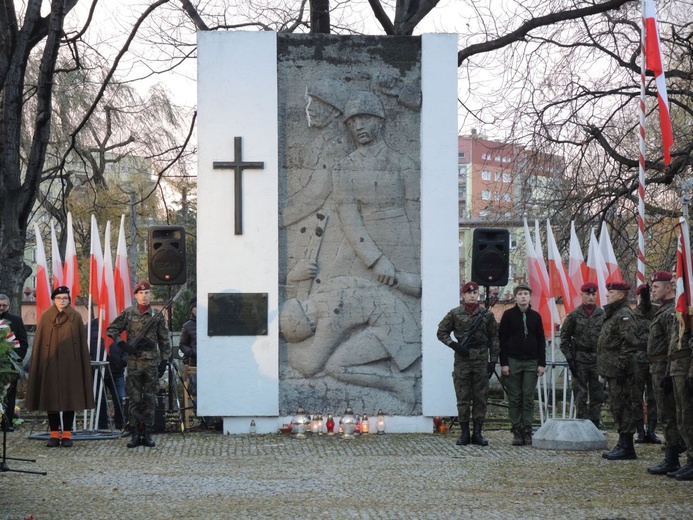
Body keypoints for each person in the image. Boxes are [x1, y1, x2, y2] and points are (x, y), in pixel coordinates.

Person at [25, 286, 94, 447]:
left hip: (71, 365)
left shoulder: (75, 317)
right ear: (54, 299)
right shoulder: (46, 317)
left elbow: (81, 344)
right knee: (51, 398)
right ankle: (54, 434)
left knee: (70, 398)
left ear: (69, 300)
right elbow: (40, 343)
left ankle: (68, 434)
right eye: (59, 298)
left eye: (65, 298)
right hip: (50, 365)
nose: (62, 301)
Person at [107, 280, 171, 448]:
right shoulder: (128, 313)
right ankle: (135, 433)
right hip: (134, 363)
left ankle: (148, 433)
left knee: (150, 399)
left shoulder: (157, 315)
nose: (144, 296)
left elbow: (164, 340)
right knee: (134, 399)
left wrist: (164, 360)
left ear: (151, 295)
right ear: (136, 295)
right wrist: (122, 344)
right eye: (141, 293)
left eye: (147, 293)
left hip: (151, 364)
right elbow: (111, 330)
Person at [437, 281, 499, 446]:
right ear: (463, 295)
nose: (472, 295)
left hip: (480, 362)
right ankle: (465, 433)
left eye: (475, 292)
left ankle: (477, 433)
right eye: (468, 293)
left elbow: (494, 338)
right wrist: (454, 345)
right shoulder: (455, 314)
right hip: (462, 362)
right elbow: (441, 332)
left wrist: (493, 361)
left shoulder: (486, 315)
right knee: (463, 398)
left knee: (480, 398)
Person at [646, 271, 685, 475]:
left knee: (670, 414)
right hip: (657, 367)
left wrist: (669, 372)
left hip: (665, 367)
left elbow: (673, 344)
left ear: (668, 288)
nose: (652, 291)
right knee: (665, 413)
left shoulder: (671, 311)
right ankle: (671, 456)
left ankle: (673, 458)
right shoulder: (662, 309)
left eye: (656, 288)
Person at [498, 283, 546, 446]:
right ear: (515, 297)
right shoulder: (508, 315)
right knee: (515, 397)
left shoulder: (536, 316)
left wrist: (542, 363)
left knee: (528, 397)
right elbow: (502, 340)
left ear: (530, 296)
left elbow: (541, 340)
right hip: (513, 361)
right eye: (520, 294)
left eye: (526, 293)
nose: (523, 296)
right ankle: (516, 429)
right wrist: (504, 363)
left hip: (532, 362)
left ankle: (527, 429)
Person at [597, 281, 639, 460]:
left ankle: (627, 446)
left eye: (611, 292)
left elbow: (629, 343)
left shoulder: (624, 314)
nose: (607, 295)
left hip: (621, 371)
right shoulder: (612, 314)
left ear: (621, 295)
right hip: (611, 370)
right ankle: (622, 443)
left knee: (623, 407)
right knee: (616, 406)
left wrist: (622, 368)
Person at [559, 282, 605, 428]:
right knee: (580, 393)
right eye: (588, 294)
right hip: (579, 359)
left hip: (597, 359)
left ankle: (594, 423)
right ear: (581, 295)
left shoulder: (602, 314)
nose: (591, 297)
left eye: (593, 294)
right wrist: (569, 358)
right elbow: (564, 338)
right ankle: (581, 423)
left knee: (597, 393)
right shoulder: (573, 315)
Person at [631, 283, 660, 443]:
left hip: (655, 359)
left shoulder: (656, 311)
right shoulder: (633, 314)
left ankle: (652, 430)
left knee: (653, 396)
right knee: (636, 396)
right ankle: (640, 431)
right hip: (637, 360)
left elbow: (648, 305)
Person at [88, 318, 127, 430]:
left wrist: (123, 361)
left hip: (116, 371)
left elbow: (127, 345)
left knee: (120, 398)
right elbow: (87, 346)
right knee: (100, 400)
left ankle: (119, 423)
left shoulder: (119, 324)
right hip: (98, 370)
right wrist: (91, 360)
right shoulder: (92, 326)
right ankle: (102, 425)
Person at [0, 293, 29, 431]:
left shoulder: (16, 321)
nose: (1, 308)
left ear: (9, 305)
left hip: (10, 366)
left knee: (9, 395)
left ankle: (7, 423)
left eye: (4, 305)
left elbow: (23, 343)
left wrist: (15, 360)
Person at [179, 298, 197, 395]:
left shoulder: (211, 324)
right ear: (192, 309)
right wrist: (192, 353)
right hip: (194, 364)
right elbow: (182, 345)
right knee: (196, 390)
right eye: (195, 307)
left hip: (210, 363)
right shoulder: (187, 326)